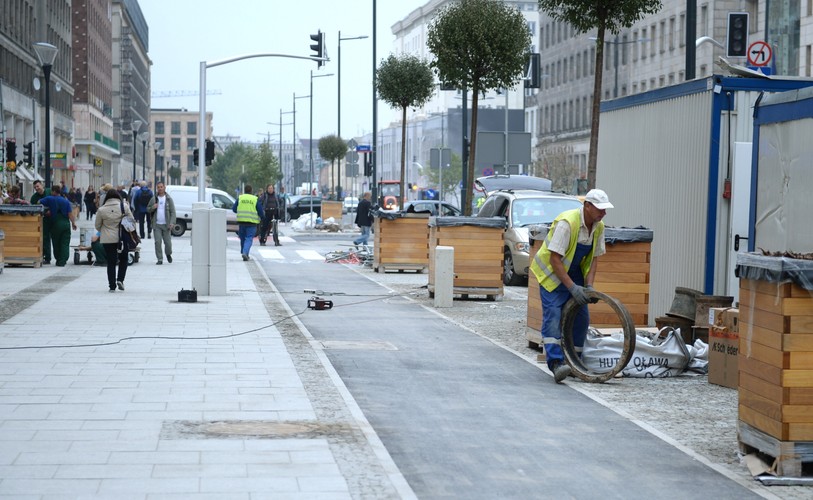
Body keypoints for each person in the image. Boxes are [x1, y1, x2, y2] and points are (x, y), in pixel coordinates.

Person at [529, 188, 613, 383]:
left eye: (605, 209)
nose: (603, 213)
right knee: (553, 317)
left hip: (573, 274)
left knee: (582, 318)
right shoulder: (568, 223)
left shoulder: (599, 227)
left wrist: (589, 286)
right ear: (587, 206)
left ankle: (575, 361)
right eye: (600, 209)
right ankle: (556, 363)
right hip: (552, 274)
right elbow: (555, 259)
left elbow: (594, 259)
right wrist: (572, 288)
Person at [95, 189, 132, 292]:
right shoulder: (124, 206)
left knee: (111, 261)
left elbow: (97, 226)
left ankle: (112, 285)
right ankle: (120, 279)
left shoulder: (101, 209)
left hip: (107, 238)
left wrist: (105, 229)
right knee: (123, 259)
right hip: (122, 238)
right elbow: (131, 221)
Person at [38, 185, 78, 267]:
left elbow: (39, 202)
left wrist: (47, 210)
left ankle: (59, 260)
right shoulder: (66, 201)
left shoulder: (49, 198)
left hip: (56, 224)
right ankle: (63, 260)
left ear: (53, 191)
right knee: (65, 243)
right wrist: (73, 223)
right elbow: (70, 214)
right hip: (66, 224)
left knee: (56, 243)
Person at [147, 182, 176, 265]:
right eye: (158, 187)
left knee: (168, 243)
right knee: (157, 242)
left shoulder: (169, 199)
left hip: (166, 225)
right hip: (157, 225)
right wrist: (153, 207)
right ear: (157, 188)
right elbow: (148, 209)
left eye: (161, 187)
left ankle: (168, 254)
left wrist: (172, 223)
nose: (160, 188)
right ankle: (159, 259)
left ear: (164, 187)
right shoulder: (154, 199)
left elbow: (173, 212)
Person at [232, 184, 262, 261]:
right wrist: (262, 217)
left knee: (242, 238)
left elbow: (234, 209)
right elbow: (260, 211)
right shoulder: (255, 199)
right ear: (251, 191)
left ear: (244, 190)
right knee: (249, 238)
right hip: (251, 222)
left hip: (241, 221)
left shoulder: (240, 198)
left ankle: (244, 252)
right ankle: (245, 253)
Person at [29, 180, 52, 264]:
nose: (36, 188)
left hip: (53, 218)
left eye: (38, 186)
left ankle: (58, 257)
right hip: (42, 220)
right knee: (45, 238)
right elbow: (32, 209)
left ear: (42, 185)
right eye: (35, 187)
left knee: (55, 238)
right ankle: (46, 257)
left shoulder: (49, 191)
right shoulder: (34, 197)